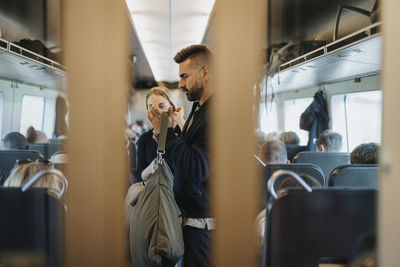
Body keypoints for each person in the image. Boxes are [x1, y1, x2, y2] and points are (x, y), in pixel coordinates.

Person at [147, 44, 213, 267]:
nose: (181, 83)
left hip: (204, 226)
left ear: (205, 72)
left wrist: (167, 134)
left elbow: (197, 167)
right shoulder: (198, 108)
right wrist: (164, 136)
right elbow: (185, 152)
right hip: (189, 220)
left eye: (185, 76)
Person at [135, 86, 185, 182]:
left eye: (161, 106)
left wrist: (179, 120)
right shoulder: (144, 139)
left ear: (172, 107)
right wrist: (150, 169)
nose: (156, 111)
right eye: (151, 107)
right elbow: (139, 177)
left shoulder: (182, 132)